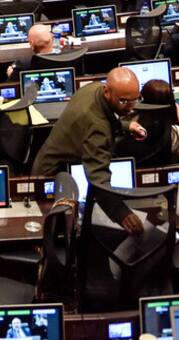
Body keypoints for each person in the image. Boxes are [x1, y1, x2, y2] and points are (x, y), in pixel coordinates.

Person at [31, 67, 148, 234]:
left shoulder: (92, 89)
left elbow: (102, 115)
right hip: (52, 178)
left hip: (51, 160)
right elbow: (98, 180)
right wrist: (122, 214)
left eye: (135, 100)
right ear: (107, 91)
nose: (130, 108)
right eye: (124, 101)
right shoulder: (98, 130)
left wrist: (125, 125)